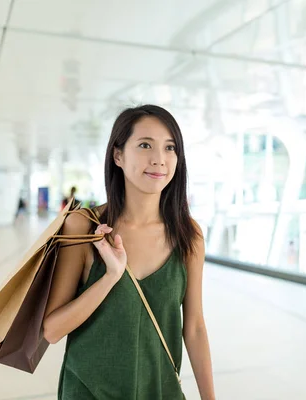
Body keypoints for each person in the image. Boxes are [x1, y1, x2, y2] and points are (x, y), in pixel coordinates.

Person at [43, 105, 216, 399]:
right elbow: (52, 330)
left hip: (160, 391)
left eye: (170, 147)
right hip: (88, 392)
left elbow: (195, 328)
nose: (159, 159)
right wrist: (111, 276)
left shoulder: (189, 235)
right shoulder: (83, 226)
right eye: (145, 145)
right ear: (118, 155)